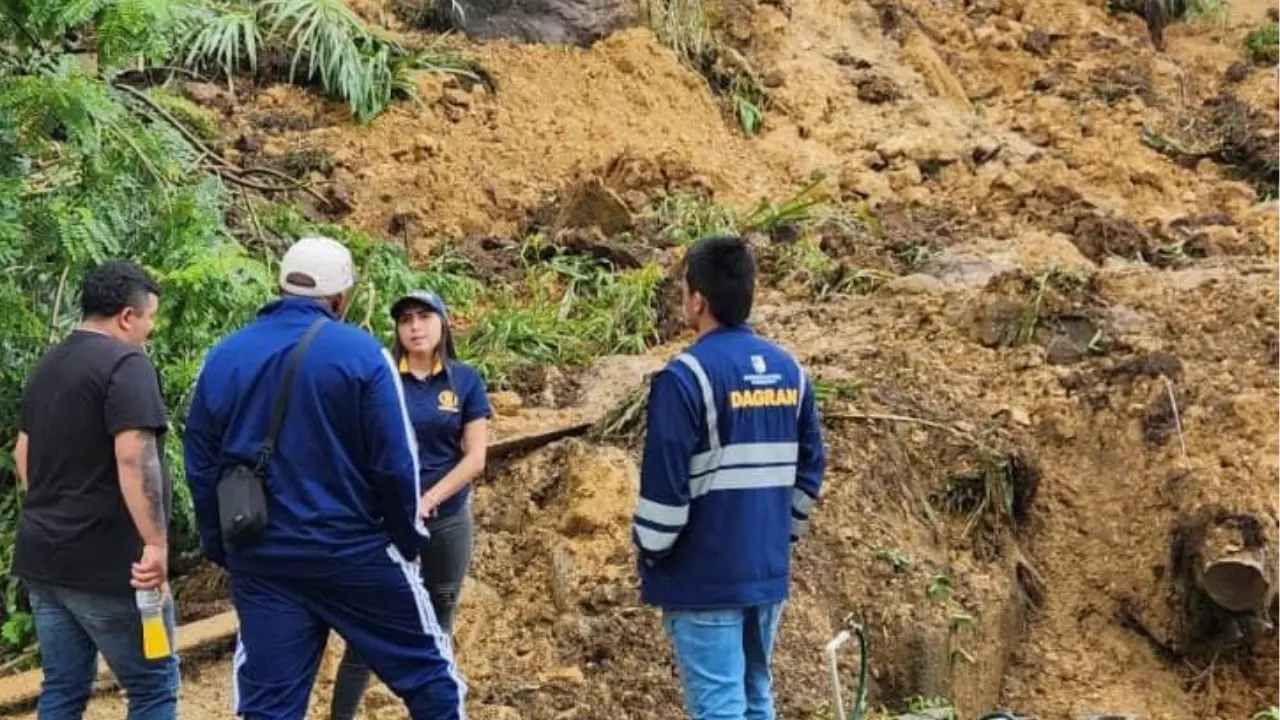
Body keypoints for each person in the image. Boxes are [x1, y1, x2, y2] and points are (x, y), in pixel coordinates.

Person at [182, 236, 466, 720]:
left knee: (268, 707)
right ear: (341, 297)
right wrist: (405, 537)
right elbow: (395, 462)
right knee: (431, 680)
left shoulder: (224, 356)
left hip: (264, 559)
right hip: (352, 553)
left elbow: (201, 463)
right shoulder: (362, 355)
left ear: (280, 286)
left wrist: (224, 546)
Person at [631, 235, 826, 720]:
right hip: (764, 572)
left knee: (719, 707)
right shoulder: (790, 371)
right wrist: (782, 537)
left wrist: (653, 551)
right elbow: (811, 468)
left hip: (704, 575)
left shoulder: (687, 377)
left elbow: (665, 487)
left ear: (698, 300)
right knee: (756, 695)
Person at [10, 260, 179, 720]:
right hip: (112, 566)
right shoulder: (127, 364)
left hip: (45, 558)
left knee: (63, 687)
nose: (150, 330)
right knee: (153, 686)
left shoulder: (49, 364)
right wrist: (156, 544)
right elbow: (134, 458)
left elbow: (21, 454)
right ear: (127, 316)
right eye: (149, 319)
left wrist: (54, 513)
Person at [330, 290, 491, 720]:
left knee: (439, 620)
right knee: (365, 631)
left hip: (447, 519)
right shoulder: (382, 379)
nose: (415, 327)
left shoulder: (465, 381)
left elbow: (475, 457)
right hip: (385, 523)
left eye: (424, 317)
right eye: (406, 320)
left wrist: (431, 498)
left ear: (442, 322)